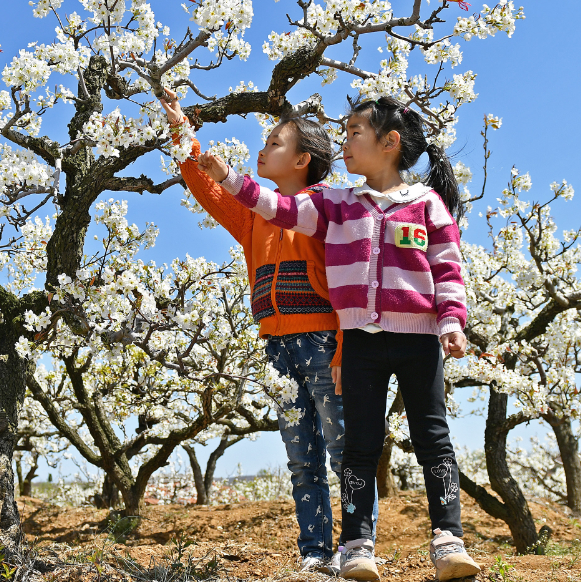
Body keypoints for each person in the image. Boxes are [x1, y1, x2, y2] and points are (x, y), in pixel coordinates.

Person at [195, 95, 481, 581]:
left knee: (433, 438)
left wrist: (451, 321)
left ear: (389, 143)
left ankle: (448, 541)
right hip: (361, 340)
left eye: (354, 133)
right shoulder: (337, 203)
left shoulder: (427, 204)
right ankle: (356, 547)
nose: (344, 142)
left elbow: (447, 267)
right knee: (358, 447)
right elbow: (281, 209)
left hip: (417, 340)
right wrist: (228, 180)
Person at [158, 88, 376, 576]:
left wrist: (346, 347)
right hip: (277, 347)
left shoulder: (326, 212)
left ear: (302, 160)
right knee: (302, 459)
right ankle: (315, 554)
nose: (262, 150)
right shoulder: (254, 214)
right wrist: (181, 129)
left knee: (344, 453)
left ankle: (358, 548)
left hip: (325, 345)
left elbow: (351, 285)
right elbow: (203, 185)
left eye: (275, 143)